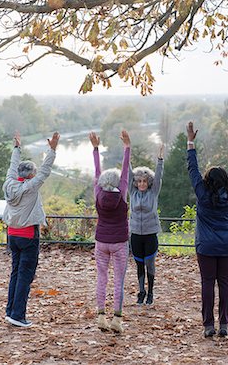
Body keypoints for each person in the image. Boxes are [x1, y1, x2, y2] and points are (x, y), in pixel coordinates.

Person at [186, 121, 228, 338]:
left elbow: (192, 168)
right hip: (225, 246)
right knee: (225, 282)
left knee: (207, 283)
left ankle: (209, 325)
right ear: (225, 180)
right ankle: (224, 325)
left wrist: (190, 142)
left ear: (207, 181)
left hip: (206, 246)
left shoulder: (202, 193)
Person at [2, 131, 60, 328]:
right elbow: (45, 170)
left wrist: (17, 148)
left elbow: (12, 166)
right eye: (34, 174)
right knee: (25, 276)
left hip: (12, 235)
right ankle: (18, 315)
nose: (36, 175)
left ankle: (10, 311)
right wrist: (52, 150)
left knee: (16, 273)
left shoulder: (10, 182)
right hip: (28, 236)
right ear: (30, 175)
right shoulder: (30, 187)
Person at [89, 130, 131, 334]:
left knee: (102, 277)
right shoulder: (122, 193)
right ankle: (117, 319)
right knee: (118, 281)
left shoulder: (98, 193)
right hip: (120, 242)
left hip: (101, 242)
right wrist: (127, 148)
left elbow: (97, 173)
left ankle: (100, 316)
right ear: (117, 183)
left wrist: (96, 149)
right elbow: (126, 172)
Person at [129, 145, 164, 306]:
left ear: (148, 182)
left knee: (149, 263)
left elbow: (158, 177)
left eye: (144, 181)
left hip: (150, 234)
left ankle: (150, 292)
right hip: (135, 234)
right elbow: (127, 175)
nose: (142, 184)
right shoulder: (133, 193)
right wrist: (127, 153)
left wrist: (160, 160)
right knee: (139, 264)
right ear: (136, 183)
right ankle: (141, 291)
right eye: (139, 181)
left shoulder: (153, 192)